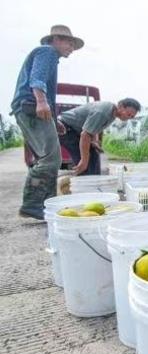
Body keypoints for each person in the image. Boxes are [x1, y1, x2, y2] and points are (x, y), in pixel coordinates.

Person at [11, 25, 84, 220]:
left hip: (28, 108)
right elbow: (37, 79)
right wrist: (41, 102)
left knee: (48, 158)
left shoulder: (51, 56)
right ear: (56, 40)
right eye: (69, 42)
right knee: (50, 159)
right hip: (30, 106)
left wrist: (53, 118)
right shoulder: (47, 52)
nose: (71, 47)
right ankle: (33, 204)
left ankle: (46, 203)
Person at [58, 98, 141, 175]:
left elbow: (94, 127)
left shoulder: (112, 113)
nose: (128, 118)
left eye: (132, 117)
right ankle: (86, 184)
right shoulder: (103, 112)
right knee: (86, 163)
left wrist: (94, 141)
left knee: (93, 155)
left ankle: (94, 183)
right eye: (128, 114)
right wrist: (84, 161)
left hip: (76, 130)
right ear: (120, 106)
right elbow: (85, 135)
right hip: (65, 128)